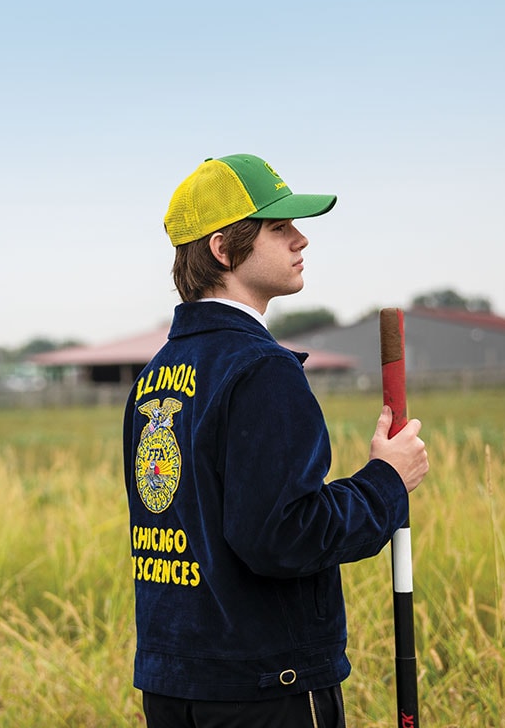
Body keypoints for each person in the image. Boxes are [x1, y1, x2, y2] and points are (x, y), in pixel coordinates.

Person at [123, 154, 429, 728]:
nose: (301, 240)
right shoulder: (263, 368)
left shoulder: (155, 376)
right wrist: (387, 482)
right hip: (264, 686)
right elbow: (283, 536)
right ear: (223, 249)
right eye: (279, 227)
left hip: (172, 681)